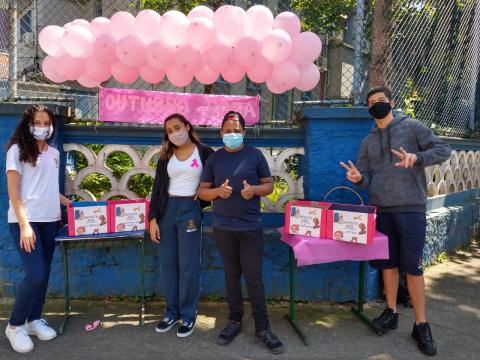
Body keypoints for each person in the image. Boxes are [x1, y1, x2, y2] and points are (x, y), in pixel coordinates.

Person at [340, 86, 451, 356]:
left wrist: (418, 158)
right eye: (372, 102)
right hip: (381, 210)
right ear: (368, 109)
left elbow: (444, 149)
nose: (377, 104)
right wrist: (359, 178)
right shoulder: (368, 142)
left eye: (381, 100)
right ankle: (390, 311)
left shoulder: (412, 127)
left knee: (412, 267)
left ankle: (421, 324)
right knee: (387, 265)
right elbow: (366, 176)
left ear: (392, 102)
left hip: (411, 208)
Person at [198, 111, 284, 355]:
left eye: (237, 130)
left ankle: (263, 327)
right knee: (231, 275)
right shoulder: (214, 159)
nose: (232, 134)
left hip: (250, 228)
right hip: (223, 228)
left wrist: (255, 190)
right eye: (227, 129)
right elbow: (202, 191)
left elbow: (269, 185)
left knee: (254, 277)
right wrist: (217, 193)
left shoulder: (254, 155)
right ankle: (234, 321)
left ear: (244, 132)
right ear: (221, 132)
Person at [5, 105, 72, 353]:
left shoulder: (54, 153)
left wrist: (68, 203)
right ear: (28, 123)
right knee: (34, 274)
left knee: (43, 274)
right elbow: (14, 192)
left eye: (47, 122)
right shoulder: (17, 150)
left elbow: (46, 188)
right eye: (37, 122)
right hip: (27, 221)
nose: (42, 127)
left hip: (51, 220)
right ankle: (14, 325)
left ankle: (33, 320)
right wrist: (24, 225)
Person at [148, 113, 214, 338]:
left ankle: (188, 314)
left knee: (188, 265)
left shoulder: (205, 153)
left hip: (190, 210)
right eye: (169, 130)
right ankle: (171, 312)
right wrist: (153, 219)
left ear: (187, 126)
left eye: (178, 127)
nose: (174, 133)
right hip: (167, 210)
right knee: (168, 264)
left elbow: (213, 181)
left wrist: (205, 196)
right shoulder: (166, 155)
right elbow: (157, 188)